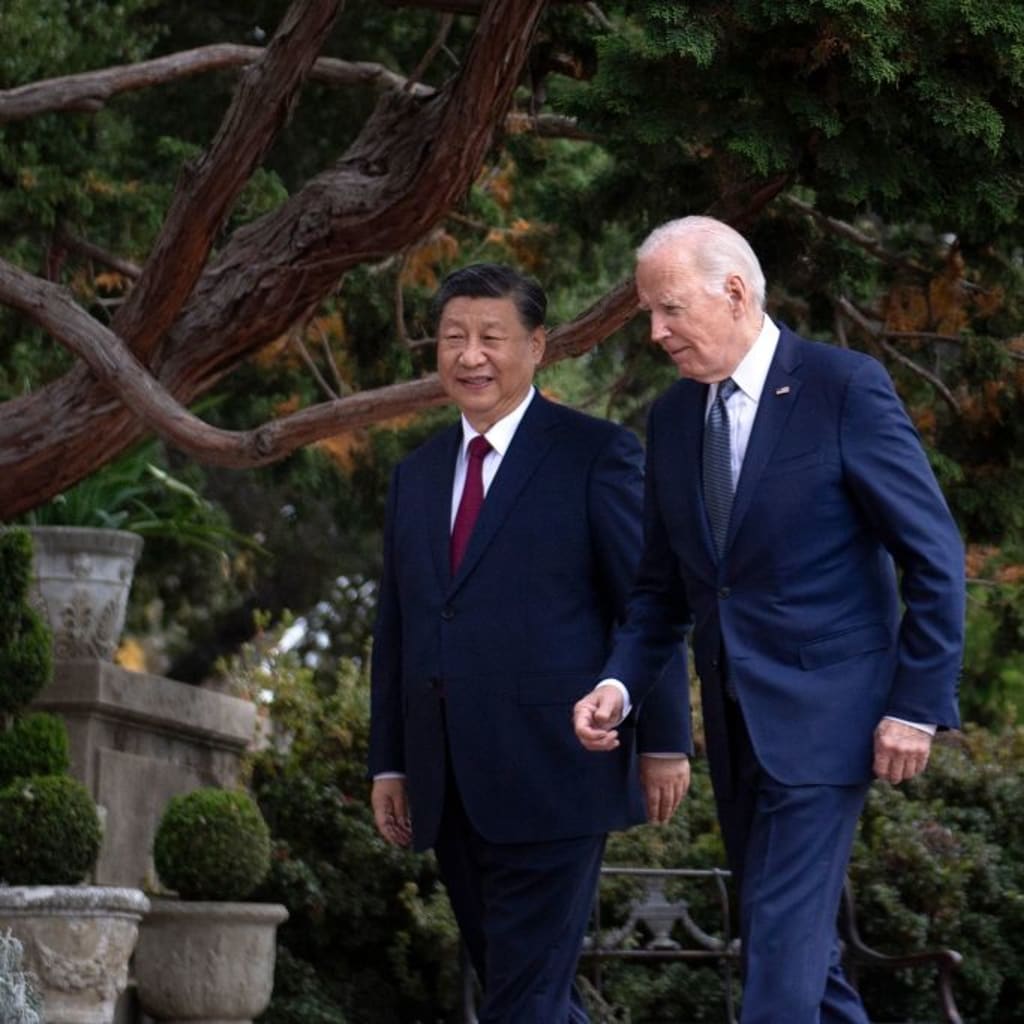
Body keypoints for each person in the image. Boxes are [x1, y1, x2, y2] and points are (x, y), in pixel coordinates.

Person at [573, 217, 965, 1024]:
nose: (655, 332)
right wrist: (618, 684)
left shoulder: (843, 387)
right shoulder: (675, 420)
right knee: (795, 952)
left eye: (669, 309)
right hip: (738, 727)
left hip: (830, 722)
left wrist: (914, 706)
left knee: (780, 961)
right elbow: (662, 592)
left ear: (736, 292)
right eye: (650, 313)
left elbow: (932, 555)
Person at [368, 263, 691, 1023]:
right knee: (527, 995)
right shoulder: (414, 477)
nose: (470, 356)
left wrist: (665, 740)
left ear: (537, 345)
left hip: (557, 771)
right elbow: (400, 628)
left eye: (491, 337)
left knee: (521, 1002)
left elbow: (647, 604)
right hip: (446, 781)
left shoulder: (596, 455)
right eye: (453, 338)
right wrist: (390, 760)